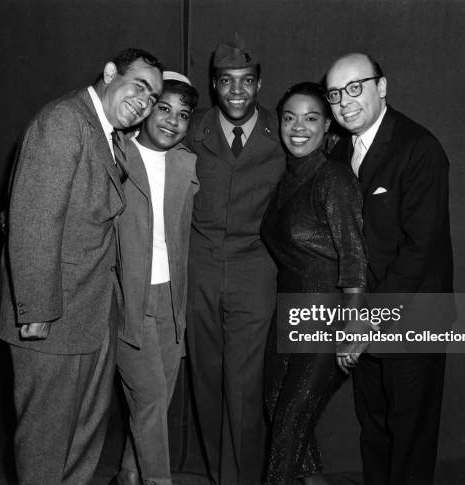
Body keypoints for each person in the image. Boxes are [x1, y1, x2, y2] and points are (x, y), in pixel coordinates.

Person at [0, 48, 163, 485]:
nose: (144, 102)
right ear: (110, 73)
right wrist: (33, 310)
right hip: (51, 317)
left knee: (83, 435)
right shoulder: (65, 121)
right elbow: (32, 219)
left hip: (88, 311)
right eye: (140, 86)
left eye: (152, 97)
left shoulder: (108, 134)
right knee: (47, 442)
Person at [325, 53, 454, 485]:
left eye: (355, 88)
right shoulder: (341, 148)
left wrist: (366, 320)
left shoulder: (419, 148)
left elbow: (419, 252)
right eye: (335, 94)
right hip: (365, 317)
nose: (344, 102)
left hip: (413, 317)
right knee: (375, 431)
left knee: (411, 437)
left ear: (382, 88)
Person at [184, 34, 286, 485]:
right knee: (206, 381)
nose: (237, 91)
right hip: (199, 266)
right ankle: (215, 473)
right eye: (227, 81)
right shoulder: (191, 130)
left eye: (246, 81)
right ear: (214, 85)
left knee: (244, 387)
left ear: (259, 84)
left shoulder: (283, 130)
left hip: (254, 267)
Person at [260, 82, 368, 485]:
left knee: (289, 423)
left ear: (328, 128)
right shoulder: (288, 179)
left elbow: (355, 255)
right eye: (289, 118)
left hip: (327, 312)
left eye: (310, 118)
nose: (298, 127)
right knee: (277, 405)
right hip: (290, 307)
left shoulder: (334, 179)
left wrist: (354, 322)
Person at [109, 72, 200, 485]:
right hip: (128, 299)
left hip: (172, 301)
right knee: (148, 401)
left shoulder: (186, 163)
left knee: (158, 402)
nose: (172, 121)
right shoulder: (116, 155)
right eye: (164, 109)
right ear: (147, 109)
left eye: (182, 115)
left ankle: (129, 473)